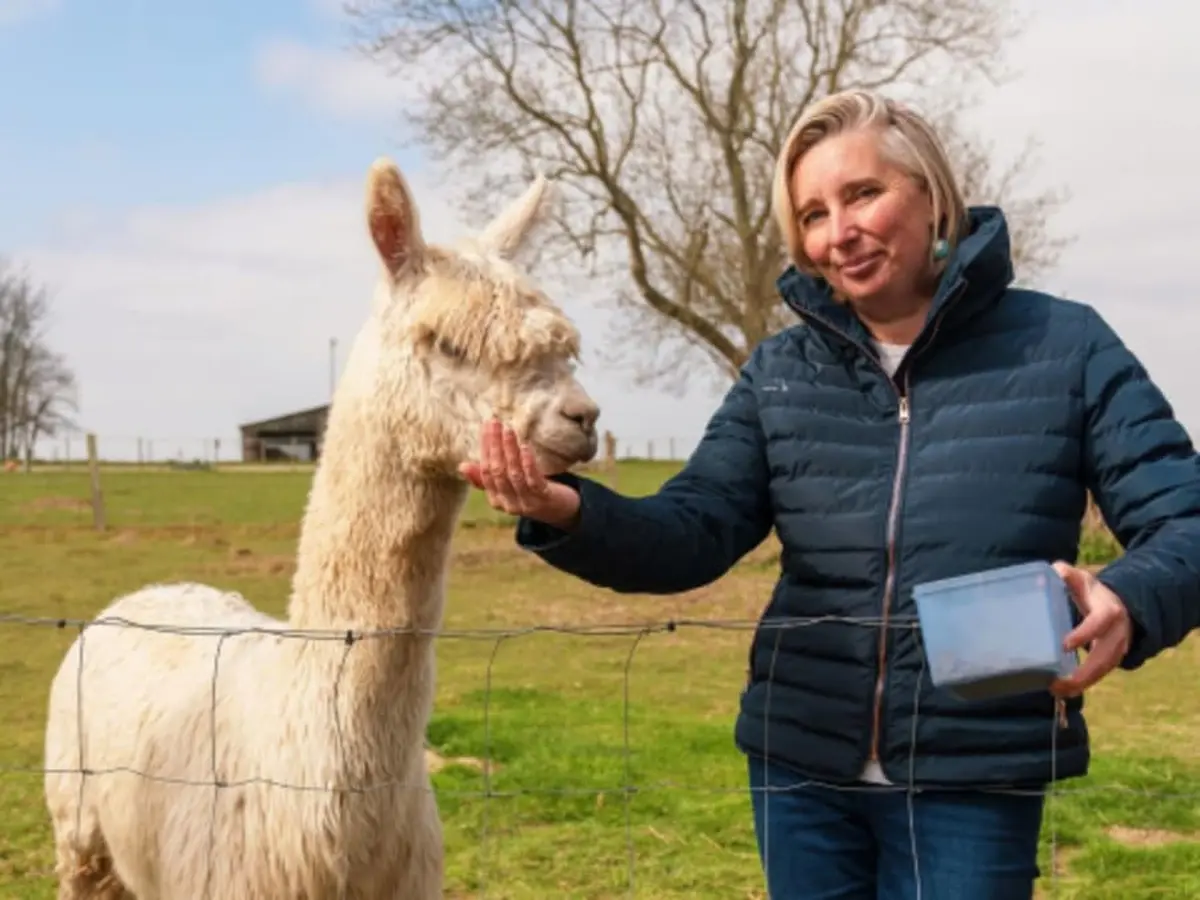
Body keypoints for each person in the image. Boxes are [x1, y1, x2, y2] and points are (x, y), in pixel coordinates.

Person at [458, 89, 1200, 899]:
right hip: (800, 775)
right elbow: (691, 531)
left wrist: (1129, 596)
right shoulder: (781, 372)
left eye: (863, 194)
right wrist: (566, 509)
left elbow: (1186, 521)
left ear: (932, 196)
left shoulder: (1065, 345)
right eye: (813, 214)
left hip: (973, 775)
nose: (838, 232)